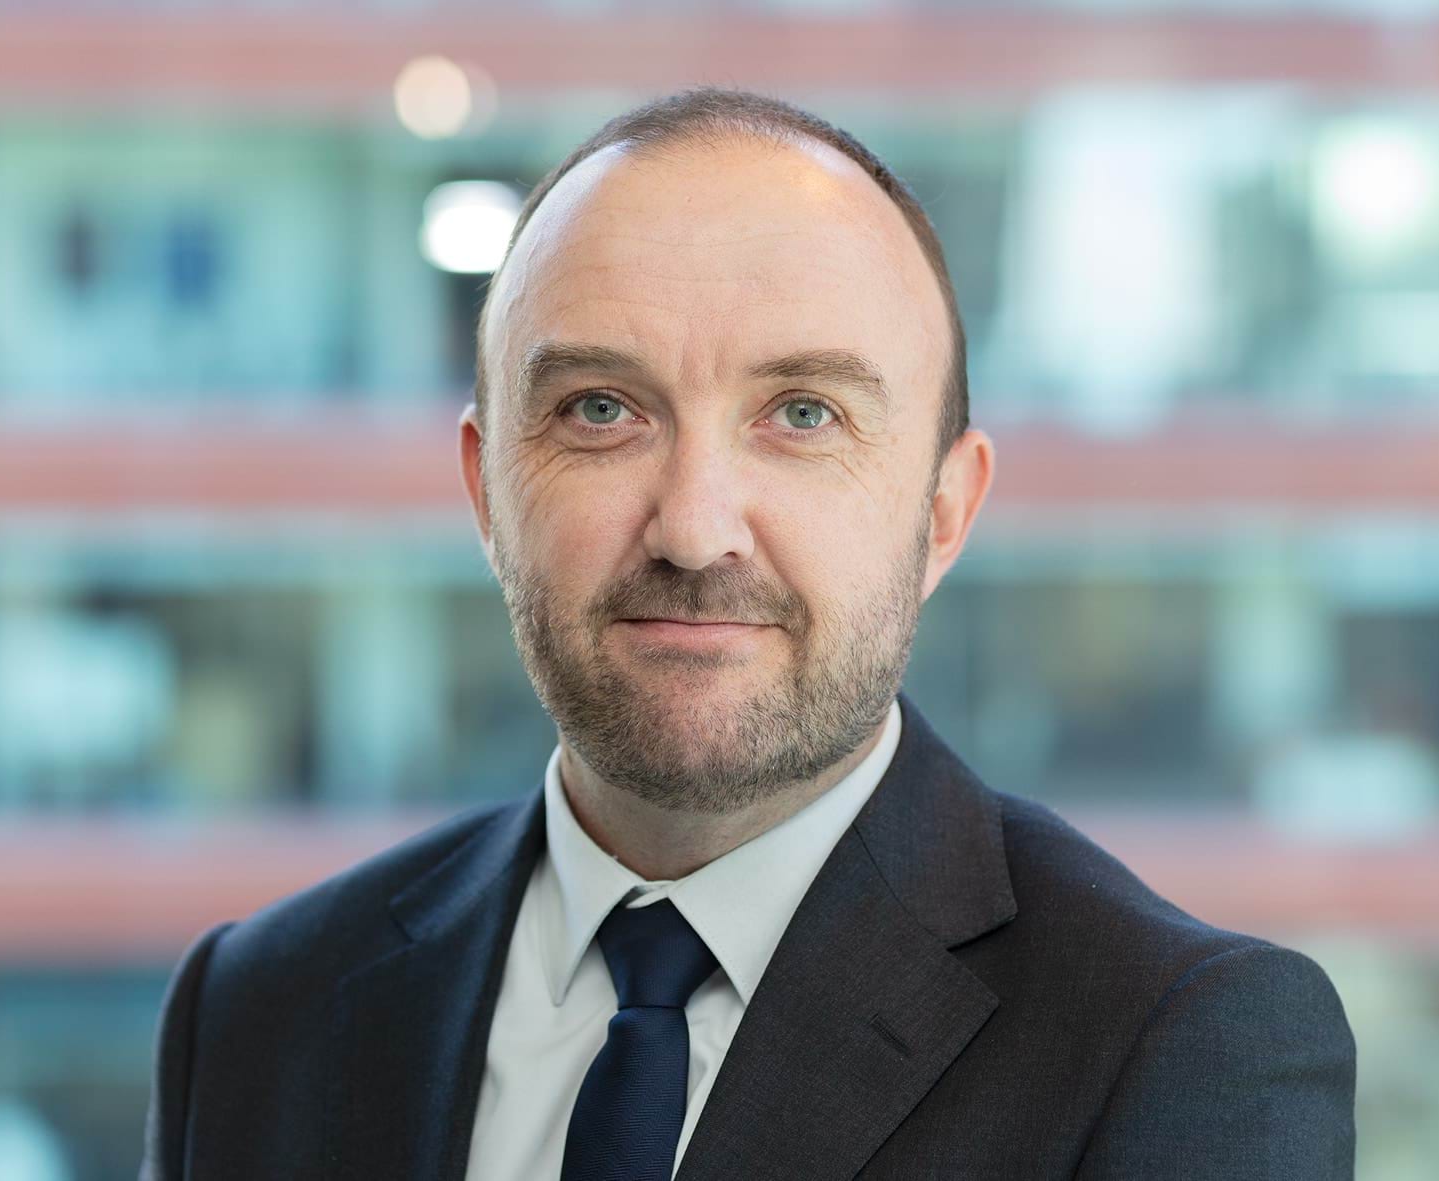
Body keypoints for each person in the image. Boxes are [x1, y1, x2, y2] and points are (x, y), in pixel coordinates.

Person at [139, 86, 1355, 1180]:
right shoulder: (261, 1007)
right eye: (600, 409)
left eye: (803, 413)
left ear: (942, 513)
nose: (693, 527)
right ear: (484, 490)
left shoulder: (1177, 1043)